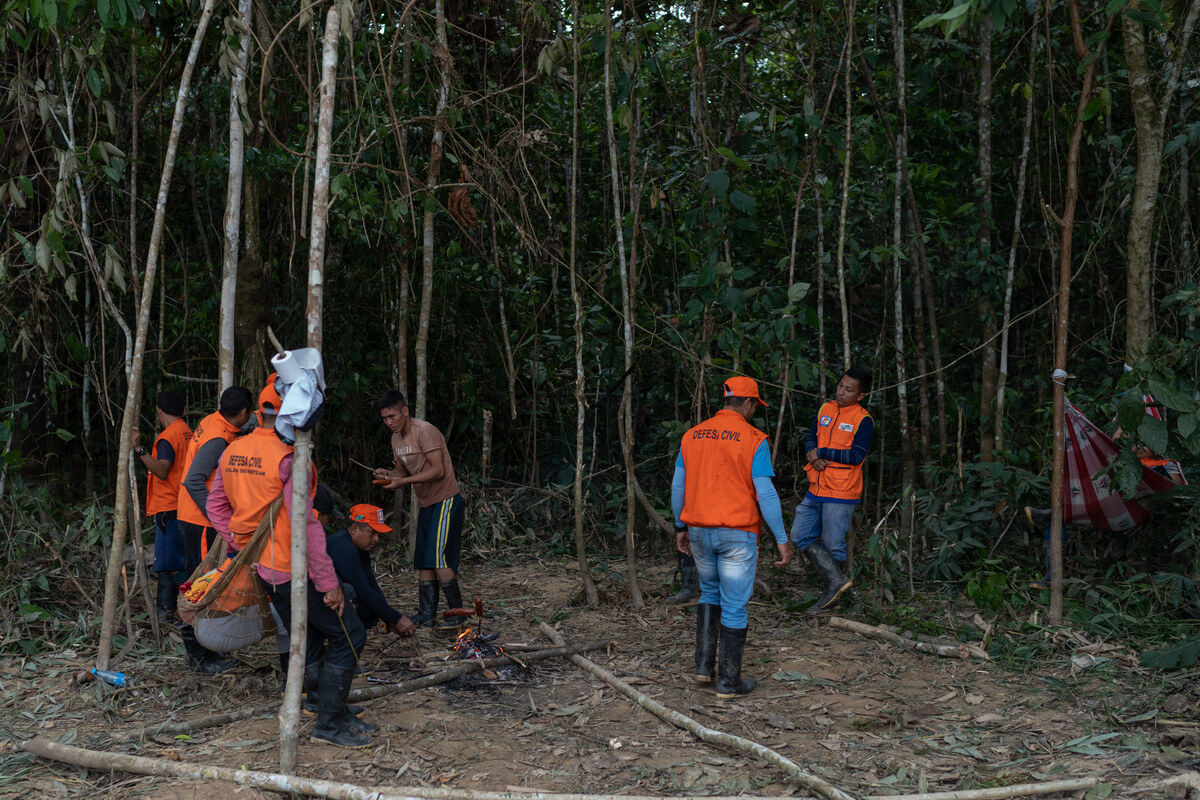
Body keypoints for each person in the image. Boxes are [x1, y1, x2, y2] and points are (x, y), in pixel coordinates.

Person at [207, 375, 374, 748]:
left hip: (264, 570)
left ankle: (330, 706)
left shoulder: (233, 450)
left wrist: (243, 543)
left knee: (313, 632)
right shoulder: (290, 460)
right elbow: (309, 527)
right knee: (351, 635)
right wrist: (329, 583)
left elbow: (215, 504)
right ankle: (329, 723)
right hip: (291, 566)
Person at [672, 376, 793, 699]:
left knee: (709, 592)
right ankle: (728, 682)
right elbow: (765, 493)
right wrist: (781, 537)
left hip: (698, 531)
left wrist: (679, 527)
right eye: (756, 405)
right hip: (737, 534)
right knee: (735, 604)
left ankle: (703, 669)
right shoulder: (754, 439)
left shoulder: (692, 436)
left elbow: (678, 487)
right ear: (749, 403)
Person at [173, 385, 254, 673]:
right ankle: (198, 657)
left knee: (203, 581)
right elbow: (193, 480)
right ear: (243, 413)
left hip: (192, 516)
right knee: (201, 583)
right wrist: (217, 514)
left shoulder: (212, 422)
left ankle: (206, 652)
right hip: (200, 520)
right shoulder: (218, 440)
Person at [373, 390, 468, 629]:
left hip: (445, 500)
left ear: (405, 411)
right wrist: (388, 475)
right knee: (424, 559)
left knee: (437, 557)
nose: (389, 422)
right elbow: (402, 472)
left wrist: (403, 482)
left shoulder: (425, 431)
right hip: (426, 503)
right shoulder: (396, 440)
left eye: (392, 416)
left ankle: (458, 613)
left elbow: (438, 470)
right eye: (384, 418)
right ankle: (426, 613)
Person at [790, 366, 874, 613]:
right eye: (840, 385)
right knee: (799, 534)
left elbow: (856, 455)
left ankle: (836, 597)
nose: (841, 392)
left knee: (833, 544)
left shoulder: (863, 419)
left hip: (841, 491)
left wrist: (823, 453)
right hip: (817, 485)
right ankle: (835, 583)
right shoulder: (826, 408)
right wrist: (812, 455)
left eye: (848, 390)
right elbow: (811, 437)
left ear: (860, 396)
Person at [132, 390, 193, 624]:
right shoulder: (188, 432)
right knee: (173, 561)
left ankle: (179, 612)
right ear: (184, 411)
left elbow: (162, 470)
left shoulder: (168, 437)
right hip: (184, 504)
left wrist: (140, 449)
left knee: (171, 564)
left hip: (169, 507)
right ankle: (169, 613)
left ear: (159, 411)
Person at [327, 504, 417, 637]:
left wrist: (388, 619)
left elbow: (371, 584)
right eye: (372, 533)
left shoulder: (360, 549)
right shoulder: (343, 547)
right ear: (354, 529)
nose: (376, 539)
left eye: (378, 534)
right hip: (320, 598)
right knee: (350, 592)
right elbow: (363, 590)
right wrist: (396, 618)